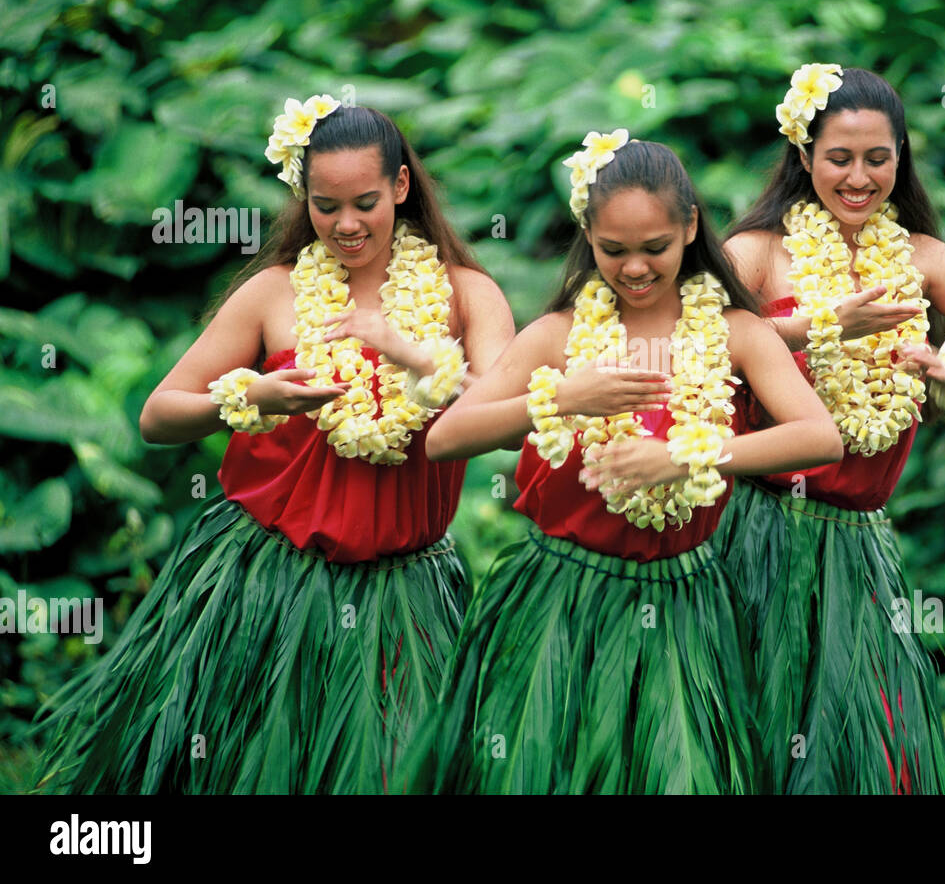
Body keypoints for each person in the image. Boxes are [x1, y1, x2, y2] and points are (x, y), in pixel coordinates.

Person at [31, 98, 514, 793]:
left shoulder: (466, 296)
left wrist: (409, 353)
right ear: (303, 198)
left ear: (402, 188)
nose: (346, 225)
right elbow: (159, 416)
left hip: (405, 592)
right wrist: (250, 399)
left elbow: (498, 416)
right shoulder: (273, 293)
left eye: (365, 202)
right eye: (325, 205)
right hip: (264, 577)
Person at [399, 131, 843, 794]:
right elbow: (446, 438)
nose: (634, 268)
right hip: (558, 597)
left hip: (683, 597)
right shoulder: (558, 336)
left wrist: (690, 456)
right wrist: (561, 398)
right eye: (613, 250)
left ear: (691, 227)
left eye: (655, 248)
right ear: (588, 235)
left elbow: (820, 438)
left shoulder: (735, 333)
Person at [712, 64, 945, 793]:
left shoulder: (920, 260)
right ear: (803, 157)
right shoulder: (759, 251)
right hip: (753, 528)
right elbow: (700, 351)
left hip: (856, 545)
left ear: (900, 158)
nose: (859, 177)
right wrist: (822, 328)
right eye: (838, 158)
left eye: (878, 158)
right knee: (750, 736)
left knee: (863, 747)